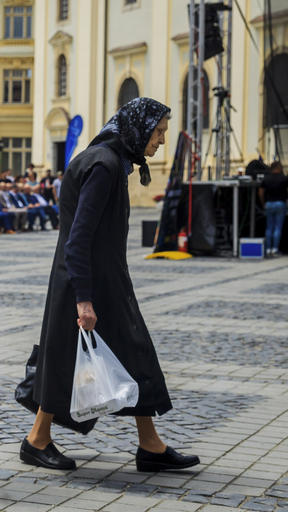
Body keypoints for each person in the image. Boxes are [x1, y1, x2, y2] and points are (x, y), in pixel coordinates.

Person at [21, 97, 199, 473]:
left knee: (132, 356)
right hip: (86, 284)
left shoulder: (102, 159)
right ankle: (36, 440)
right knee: (67, 361)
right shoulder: (104, 166)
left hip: (97, 280)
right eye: (158, 131)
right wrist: (84, 299)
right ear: (138, 128)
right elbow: (79, 237)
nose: (161, 140)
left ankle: (150, 445)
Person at [259, 161, 287, 257]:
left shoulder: (266, 178)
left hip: (269, 204)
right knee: (278, 227)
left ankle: (268, 249)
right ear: (279, 168)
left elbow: (261, 192)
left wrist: (263, 203)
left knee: (269, 227)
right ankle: (275, 249)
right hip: (280, 203)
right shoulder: (284, 178)